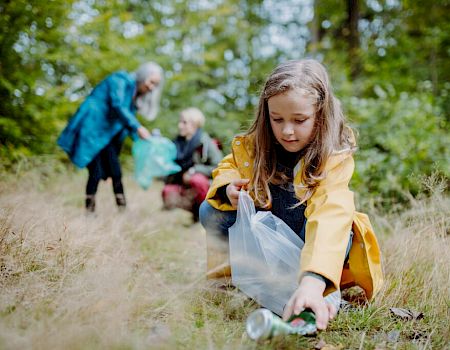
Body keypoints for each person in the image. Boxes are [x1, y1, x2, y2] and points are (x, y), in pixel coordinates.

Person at [199, 59, 383, 330]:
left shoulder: (333, 156)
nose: (287, 130)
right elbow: (228, 166)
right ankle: (245, 281)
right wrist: (228, 188)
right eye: (277, 119)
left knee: (345, 228)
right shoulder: (254, 147)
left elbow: (331, 215)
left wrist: (312, 280)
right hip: (265, 248)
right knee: (210, 210)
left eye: (299, 120)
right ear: (266, 114)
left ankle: (316, 288)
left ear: (321, 115)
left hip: (309, 245)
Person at [57, 62, 164, 213]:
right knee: (95, 172)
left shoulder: (133, 96)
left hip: (107, 136)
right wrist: (138, 127)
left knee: (116, 172)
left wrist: (143, 139)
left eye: (156, 85)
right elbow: (118, 106)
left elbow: (126, 123)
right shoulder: (120, 80)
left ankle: (123, 211)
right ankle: (89, 213)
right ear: (143, 75)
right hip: (91, 129)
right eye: (151, 82)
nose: (152, 87)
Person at [162, 107, 223, 222]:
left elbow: (219, 167)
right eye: (180, 122)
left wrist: (194, 170)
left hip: (204, 185)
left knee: (197, 180)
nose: (180, 125)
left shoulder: (206, 142)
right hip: (183, 185)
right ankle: (194, 214)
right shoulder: (176, 143)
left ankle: (207, 216)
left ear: (195, 124)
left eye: (184, 122)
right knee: (167, 191)